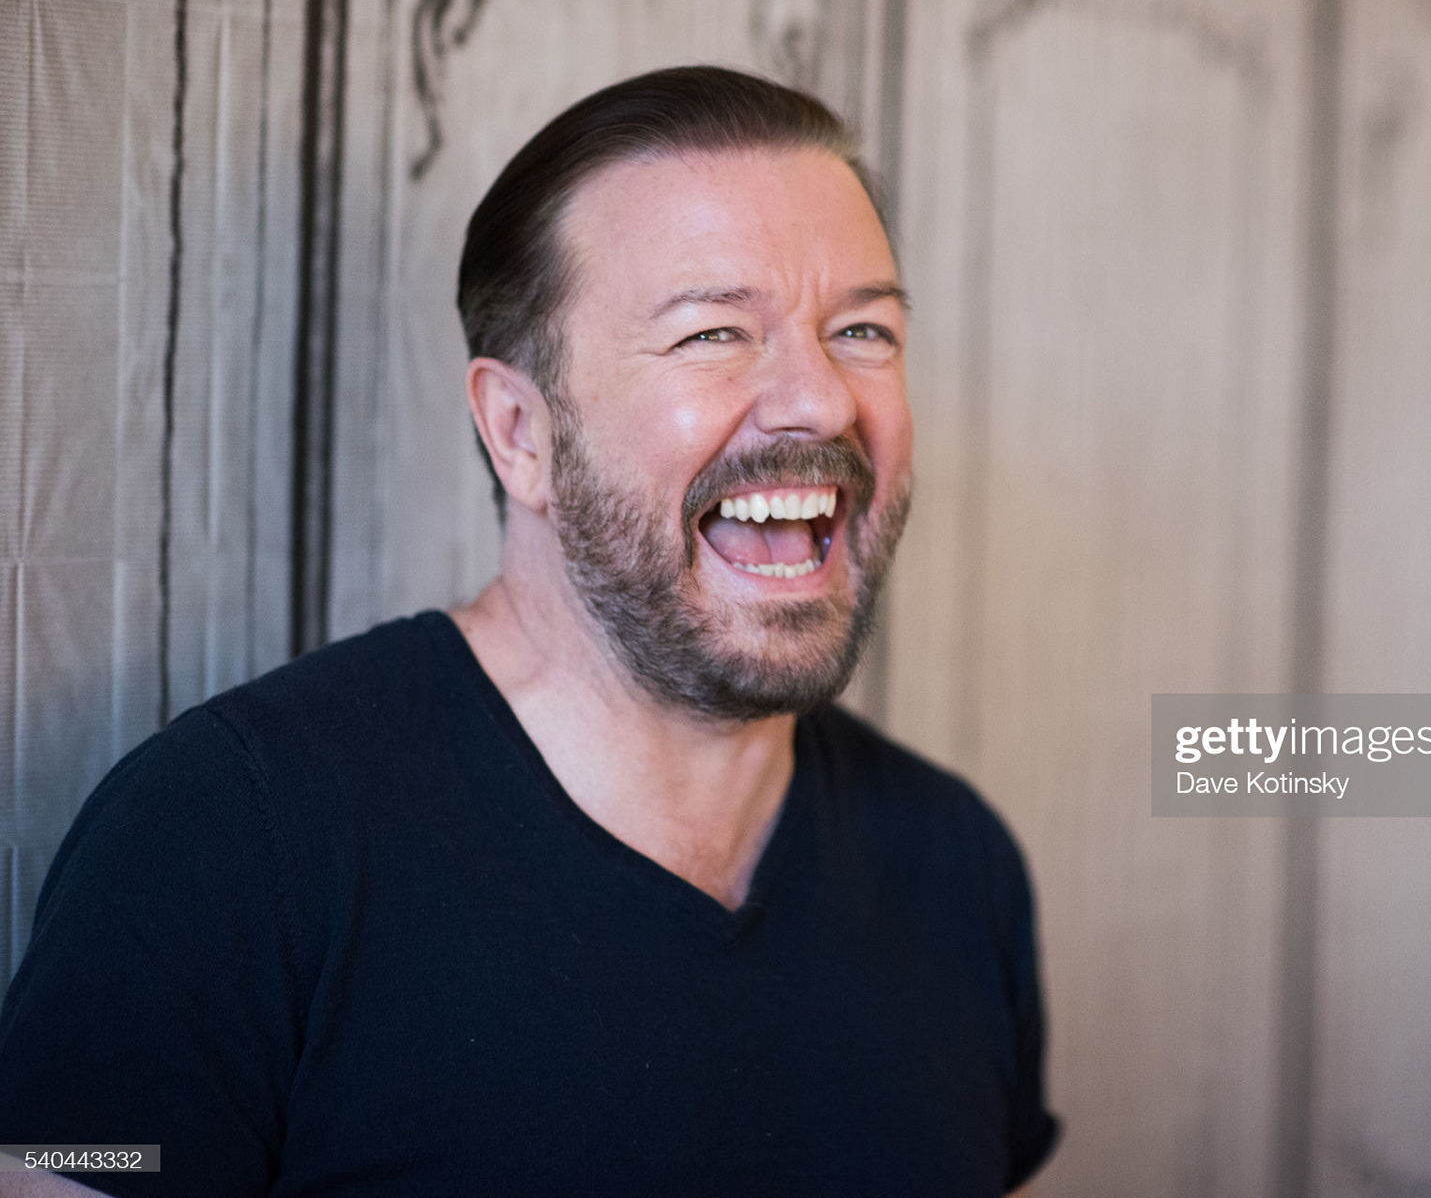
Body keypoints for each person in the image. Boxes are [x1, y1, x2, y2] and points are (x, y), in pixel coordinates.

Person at [0, 67, 1057, 1197]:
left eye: (863, 330)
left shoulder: (961, 868)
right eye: (712, 333)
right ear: (520, 430)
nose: (822, 400)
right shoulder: (219, 843)